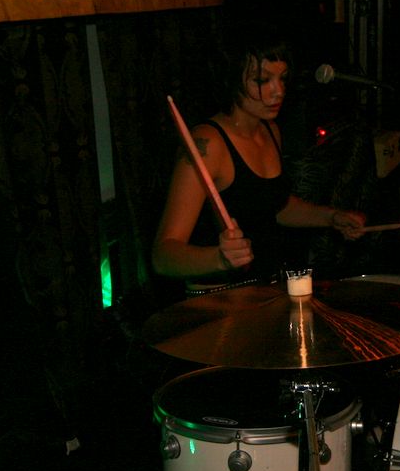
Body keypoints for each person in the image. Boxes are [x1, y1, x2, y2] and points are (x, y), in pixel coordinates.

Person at [151, 21, 366, 292]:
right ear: (231, 78)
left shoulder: (269, 129)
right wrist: (219, 258)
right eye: (262, 80)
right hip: (216, 298)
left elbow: (274, 206)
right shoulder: (208, 144)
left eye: (283, 78)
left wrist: (331, 217)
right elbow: (163, 256)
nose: (279, 91)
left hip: (263, 289)